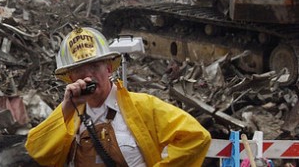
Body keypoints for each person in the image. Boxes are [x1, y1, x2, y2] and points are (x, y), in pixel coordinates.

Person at [25, 27, 211, 166]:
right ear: (70, 78)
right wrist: (66, 108)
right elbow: (37, 151)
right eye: (79, 71)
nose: (88, 76)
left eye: (94, 67)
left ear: (108, 68)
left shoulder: (144, 107)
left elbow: (197, 138)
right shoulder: (69, 114)